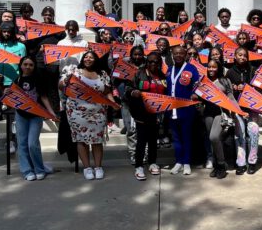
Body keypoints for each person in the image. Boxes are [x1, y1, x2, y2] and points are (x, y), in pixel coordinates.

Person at [59, 50, 119, 180]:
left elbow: (107, 91)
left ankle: (98, 167)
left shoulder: (102, 74)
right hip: (76, 111)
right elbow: (61, 86)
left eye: (91, 57)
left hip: (98, 112)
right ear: (82, 59)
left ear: (96, 60)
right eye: (86, 57)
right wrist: (64, 82)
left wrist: (113, 103)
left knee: (97, 140)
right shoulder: (74, 71)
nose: (88, 59)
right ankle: (87, 168)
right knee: (81, 140)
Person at [125, 51, 167, 180]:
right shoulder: (139, 73)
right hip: (141, 113)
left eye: (155, 61)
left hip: (156, 114)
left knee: (153, 140)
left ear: (159, 63)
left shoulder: (162, 76)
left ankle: (152, 163)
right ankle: (138, 166)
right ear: (146, 62)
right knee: (141, 141)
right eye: (150, 61)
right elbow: (127, 89)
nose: (153, 63)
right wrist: (134, 92)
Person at [14, 56, 57, 181]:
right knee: (22, 144)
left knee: (32, 144)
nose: (28, 67)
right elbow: (13, 97)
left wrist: (51, 113)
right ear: (21, 65)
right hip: (20, 115)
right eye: (25, 64)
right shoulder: (17, 79)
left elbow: (43, 97)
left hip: (36, 115)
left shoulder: (38, 79)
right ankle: (27, 171)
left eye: (31, 64)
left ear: (34, 67)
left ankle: (39, 169)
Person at [0, 21, 27, 154]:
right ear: (0, 32)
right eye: (4, 31)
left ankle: (12, 140)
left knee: (13, 115)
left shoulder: (20, 46)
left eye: (9, 32)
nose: (6, 34)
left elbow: (24, 66)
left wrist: (19, 83)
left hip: (12, 84)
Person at [166, 46, 200, 175]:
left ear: (186, 54)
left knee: (186, 137)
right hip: (172, 109)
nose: (178, 55)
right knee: (176, 138)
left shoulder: (192, 68)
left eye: (181, 53)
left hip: (187, 109)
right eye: (176, 53)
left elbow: (198, 85)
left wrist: (195, 94)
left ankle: (186, 162)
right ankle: (178, 161)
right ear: (172, 55)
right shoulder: (169, 70)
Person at [226, 47, 259, 175]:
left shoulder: (253, 70)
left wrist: (247, 87)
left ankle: (252, 161)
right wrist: (234, 88)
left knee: (254, 132)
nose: (242, 57)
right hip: (237, 108)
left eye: (244, 55)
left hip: (252, 107)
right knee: (240, 135)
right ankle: (241, 163)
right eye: (239, 55)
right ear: (235, 56)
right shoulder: (229, 72)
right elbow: (226, 92)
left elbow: (259, 87)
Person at [202, 59, 236, 179]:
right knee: (213, 141)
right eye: (209, 67)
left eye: (214, 67)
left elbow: (231, 96)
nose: (211, 69)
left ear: (219, 68)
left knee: (214, 137)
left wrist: (237, 110)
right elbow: (198, 95)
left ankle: (222, 165)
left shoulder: (225, 80)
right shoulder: (204, 81)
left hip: (221, 112)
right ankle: (216, 165)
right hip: (208, 112)